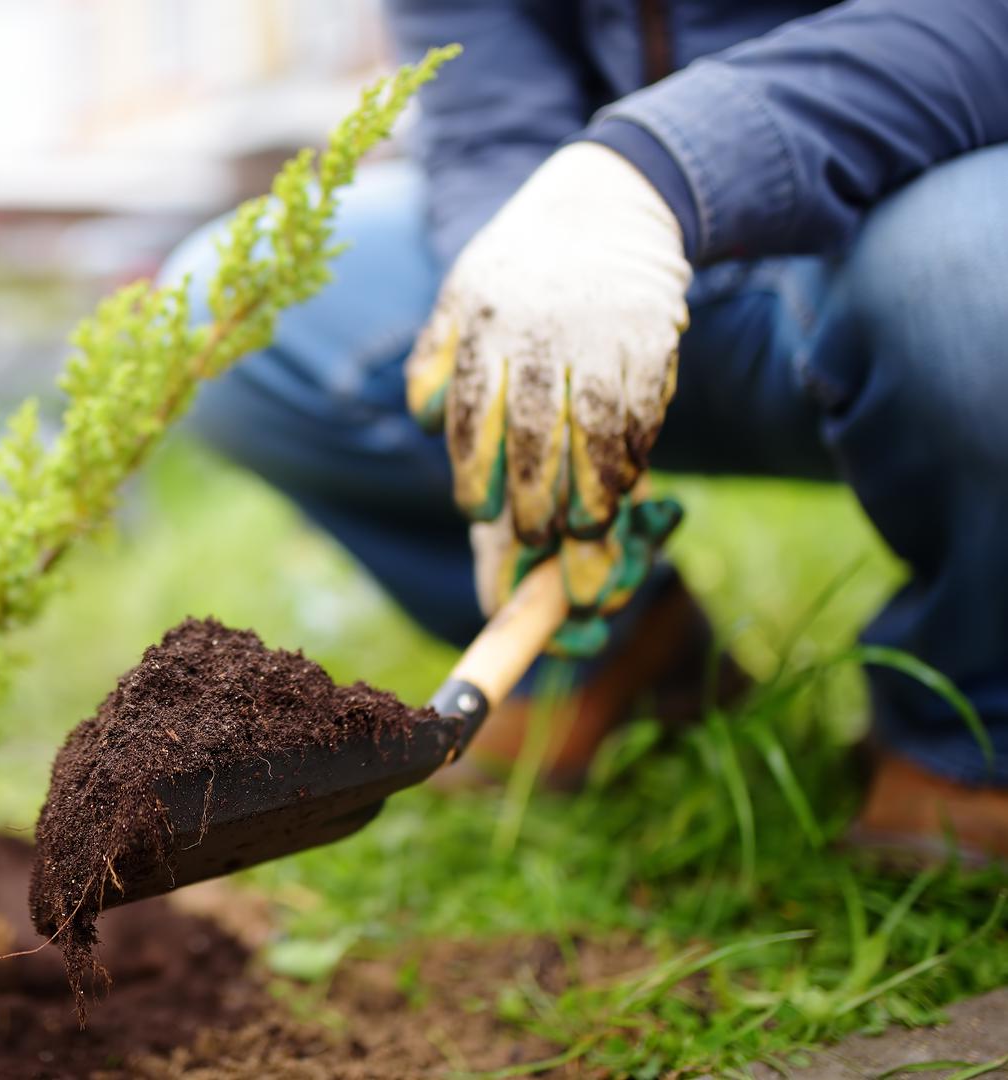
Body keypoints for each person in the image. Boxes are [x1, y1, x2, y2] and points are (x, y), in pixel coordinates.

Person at [162, 0, 1008, 859]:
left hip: (905, 218)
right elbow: (490, 124)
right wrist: (518, 320)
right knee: (227, 310)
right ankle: (615, 650)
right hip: (604, 246)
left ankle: (975, 724)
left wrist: (656, 170)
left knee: (982, 265)